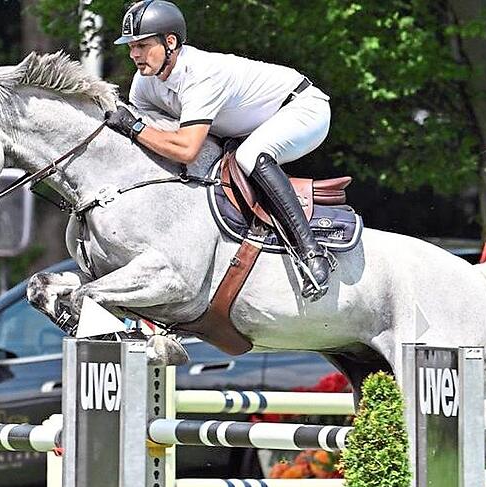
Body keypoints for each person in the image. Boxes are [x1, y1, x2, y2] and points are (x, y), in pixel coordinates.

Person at [104, 0, 333, 300]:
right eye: (131, 46)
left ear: (170, 42)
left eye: (143, 45)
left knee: (249, 157)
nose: (134, 54)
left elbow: (185, 149)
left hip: (303, 108)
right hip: (249, 127)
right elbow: (157, 137)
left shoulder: (201, 74)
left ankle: (311, 254)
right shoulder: (145, 83)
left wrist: (134, 128)